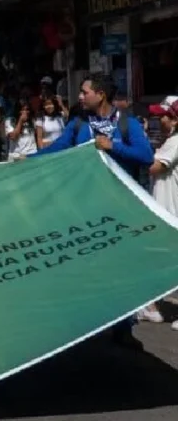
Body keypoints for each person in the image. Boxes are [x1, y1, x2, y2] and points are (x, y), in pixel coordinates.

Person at [23, 74, 154, 349]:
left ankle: (124, 327)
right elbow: (59, 149)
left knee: (120, 269)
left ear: (101, 94)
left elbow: (146, 157)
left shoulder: (126, 123)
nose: (80, 97)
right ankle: (87, 324)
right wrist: (28, 160)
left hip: (120, 208)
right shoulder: (78, 123)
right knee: (88, 265)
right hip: (85, 206)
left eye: (84, 92)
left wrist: (113, 146)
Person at [145, 96, 178, 331]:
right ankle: (152, 307)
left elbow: (154, 167)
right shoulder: (171, 141)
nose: (160, 120)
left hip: (170, 210)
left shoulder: (175, 142)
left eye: (164, 116)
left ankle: (152, 308)